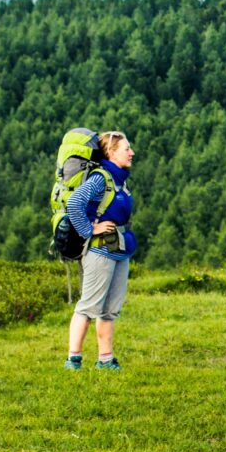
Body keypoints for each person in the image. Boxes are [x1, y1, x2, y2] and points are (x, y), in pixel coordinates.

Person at [64, 131, 138, 371]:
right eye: (126, 149)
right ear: (111, 152)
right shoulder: (100, 178)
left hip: (118, 249)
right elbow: (75, 203)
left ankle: (105, 360)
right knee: (88, 306)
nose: (131, 153)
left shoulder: (119, 180)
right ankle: (73, 360)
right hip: (100, 251)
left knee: (110, 310)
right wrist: (89, 230)